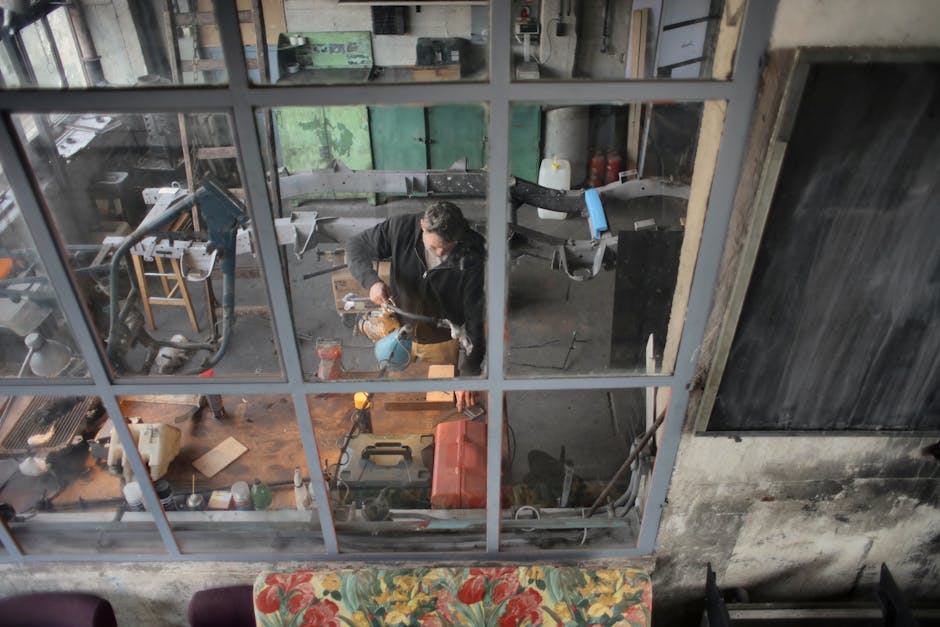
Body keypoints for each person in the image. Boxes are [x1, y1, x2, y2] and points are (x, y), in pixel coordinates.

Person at [346, 202, 485, 410]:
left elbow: (476, 316)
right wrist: (371, 281)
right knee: (391, 400)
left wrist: (468, 374)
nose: (439, 253)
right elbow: (355, 246)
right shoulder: (400, 228)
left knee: (437, 406)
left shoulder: (473, 252)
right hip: (396, 331)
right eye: (434, 246)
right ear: (422, 225)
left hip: (441, 342)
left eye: (447, 247)